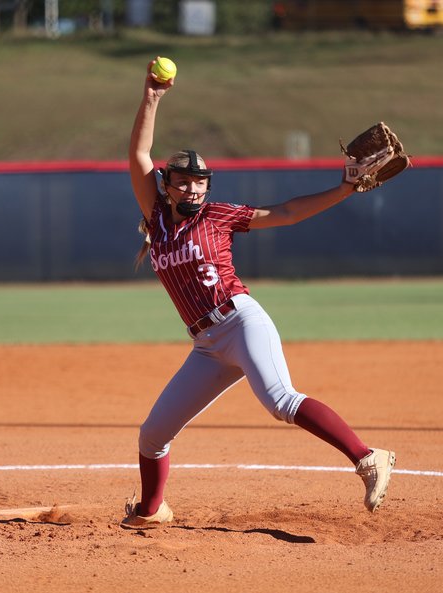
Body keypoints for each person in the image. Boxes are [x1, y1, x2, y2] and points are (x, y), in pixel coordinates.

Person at [121, 58, 396, 528]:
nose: (191, 187)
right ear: (166, 187)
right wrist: (151, 97)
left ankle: (370, 458)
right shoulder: (158, 218)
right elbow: (139, 156)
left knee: (280, 402)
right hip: (206, 345)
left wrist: (345, 189)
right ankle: (151, 510)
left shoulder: (218, 216)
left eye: (199, 181)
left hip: (240, 320)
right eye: (182, 181)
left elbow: (286, 212)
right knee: (152, 436)